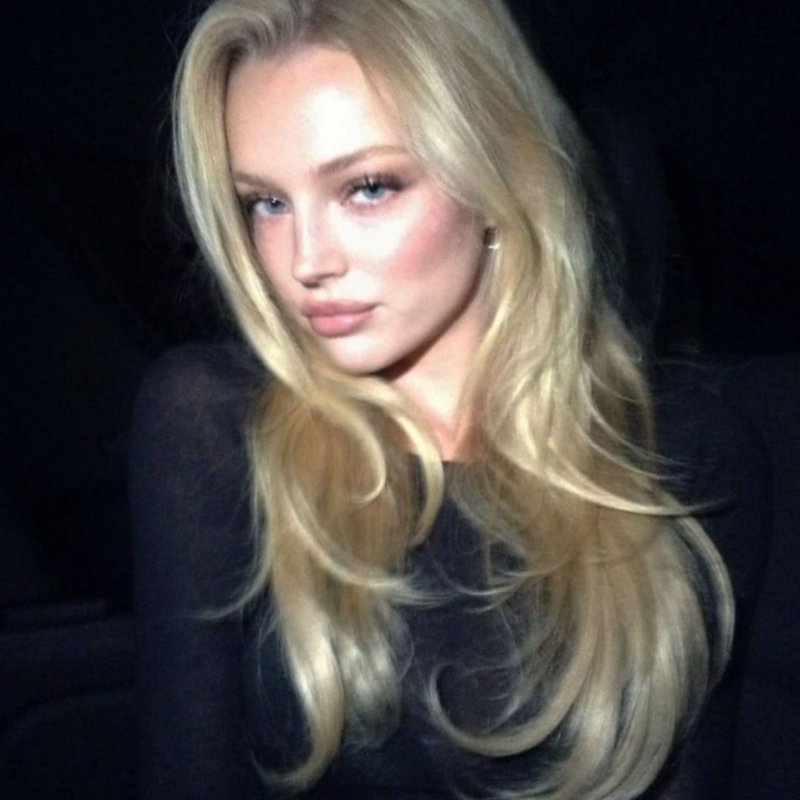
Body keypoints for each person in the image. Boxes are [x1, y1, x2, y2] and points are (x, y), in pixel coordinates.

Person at [130, 1, 768, 798]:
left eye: (367, 188)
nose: (304, 261)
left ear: (496, 176)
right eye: (266, 202)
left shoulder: (688, 451)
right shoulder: (214, 424)